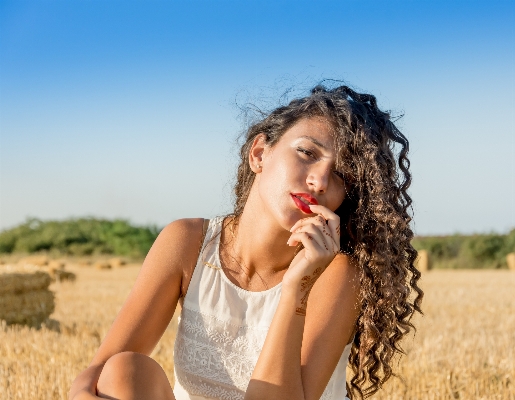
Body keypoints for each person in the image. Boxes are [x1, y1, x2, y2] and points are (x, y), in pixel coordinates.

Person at [68, 84, 423, 400]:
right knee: (123, 371)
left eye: (341, 174)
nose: (318, 181)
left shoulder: (338, 275)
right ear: (259, 154)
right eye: (307, 153)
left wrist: (297, 288)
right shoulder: (188, 242)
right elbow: (100, 372)